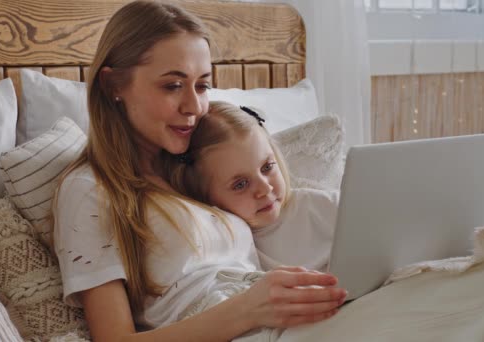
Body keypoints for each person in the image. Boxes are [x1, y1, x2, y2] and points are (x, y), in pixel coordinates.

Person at [51, 1, 347, 341]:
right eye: (172, 86)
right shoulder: (90, 190)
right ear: (113, 85)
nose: (194, 107)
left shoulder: (196, 169)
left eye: (202, 85)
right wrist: (250, 309)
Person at [165, 101, 339, 272]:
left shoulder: (323, 206)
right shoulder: (223, 246)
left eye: (267, 167)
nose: (265, 189)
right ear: (204, 196)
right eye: (240, 184)